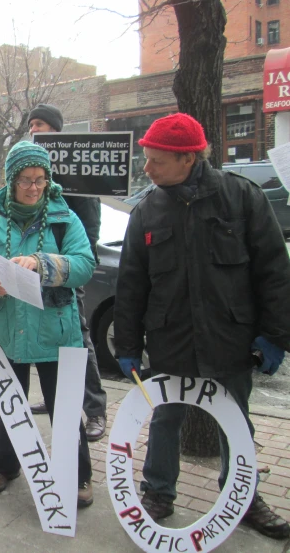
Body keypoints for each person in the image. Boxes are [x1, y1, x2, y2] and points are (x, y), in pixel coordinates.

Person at [114, 113, 290, 539]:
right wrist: (127, 344)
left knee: (236, 421)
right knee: (165, 419)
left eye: (156, 161)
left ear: (187, 158)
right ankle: (158, 492)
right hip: (170, 337)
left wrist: (276, 335)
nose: (148, 169)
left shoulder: (242, 198)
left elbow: (274, 271)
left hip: (231, 338)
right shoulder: (147, 211)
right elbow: (132, 283)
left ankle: (244, 497)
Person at [0, 140, 96, 506]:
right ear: (11, 180)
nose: (34, 187)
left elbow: (84, 265)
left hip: (56, 330)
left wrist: (43, 263)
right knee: (10, 404)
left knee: (63, 408)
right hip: (8, 331)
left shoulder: (65, 219)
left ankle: (79, 476)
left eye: (40, 179)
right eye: (25, 180)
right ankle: (6, 467)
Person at [26, 103, 108, 442]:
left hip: (64, 273)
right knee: (48, 338)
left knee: (78, 338)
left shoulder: (78, 172)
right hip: (32, 272)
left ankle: (95, 409)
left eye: (41, 124)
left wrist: (70, 266)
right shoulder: (32, 172)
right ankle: (55, 396)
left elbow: (89, 229)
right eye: (31, 125)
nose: (34, 130)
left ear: (58, 132)